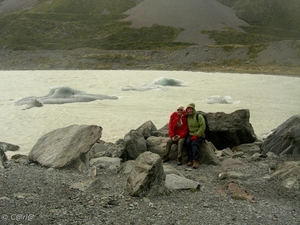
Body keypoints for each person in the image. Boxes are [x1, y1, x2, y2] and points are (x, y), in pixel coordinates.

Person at [185, 103, 206, 169]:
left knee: (194, 143)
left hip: (199, 134)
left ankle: (195, 160)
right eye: (188, 109)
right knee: (188, 143)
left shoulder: (199, 116)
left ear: (193, 109)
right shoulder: (188, 117)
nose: (189, 110)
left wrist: (197, 135)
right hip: (191, 134)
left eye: (190, 109)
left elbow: (202, 127)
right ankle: (190, 159)